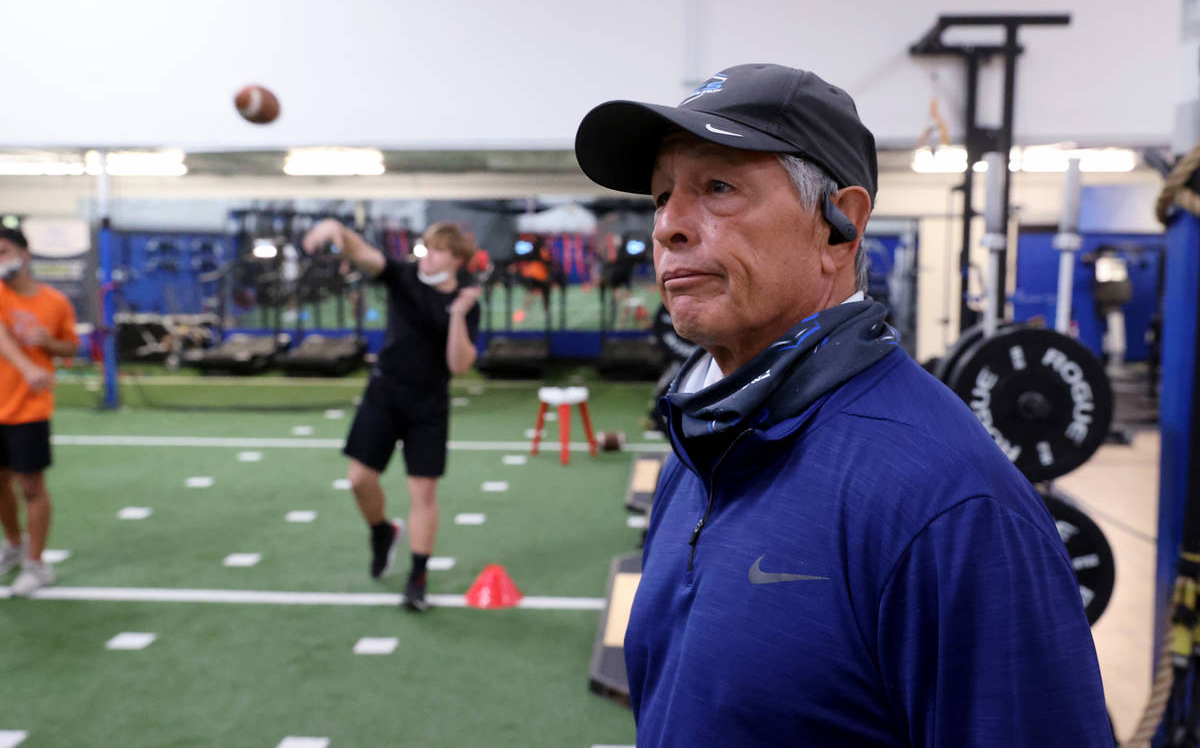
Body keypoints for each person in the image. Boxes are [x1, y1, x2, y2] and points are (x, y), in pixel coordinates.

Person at [574, 63, 1111, 746]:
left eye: (717, 188)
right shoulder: (703, 445)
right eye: (660, 197)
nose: (669, 227)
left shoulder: (951, 505)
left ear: (839, 226)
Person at [302, 219, 481, 612]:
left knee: (423, 492)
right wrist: (336, 228)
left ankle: (417, 578)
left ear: (456, 259)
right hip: (384, 393)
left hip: (429, 404)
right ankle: (382, 531)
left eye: (437, 250)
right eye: (425, 247)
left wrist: (456, 315)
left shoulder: (466, 304)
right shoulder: (402, 276)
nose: (427, 255)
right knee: (358, 479)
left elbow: (459, 364)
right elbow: (362, 253)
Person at [0, 226, 78, 596]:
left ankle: (36, 563)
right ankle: (13, 546)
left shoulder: (55, 302)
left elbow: (70, 348)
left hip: (29, 408)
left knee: (30, 485)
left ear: (23, 254)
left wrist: (48, 344)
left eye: (2, 251)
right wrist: (27, 366)